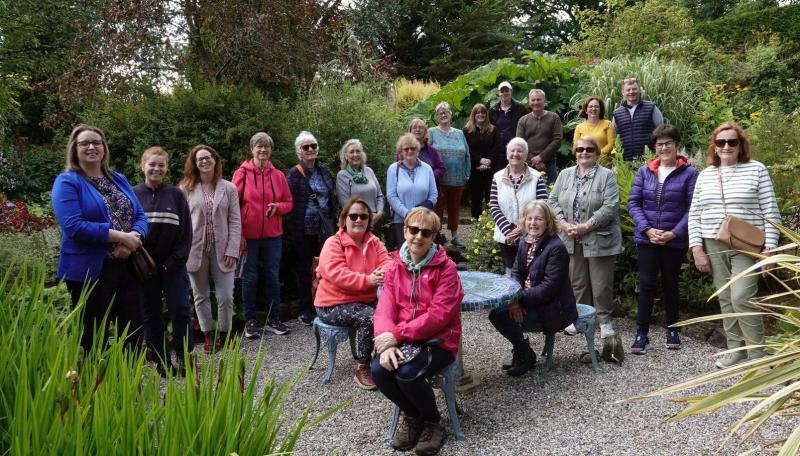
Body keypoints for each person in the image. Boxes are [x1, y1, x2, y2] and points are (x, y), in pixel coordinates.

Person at [372, 207, 463, 456]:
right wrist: (386, 342)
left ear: (434, 236)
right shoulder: (395, 265)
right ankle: (414, 417)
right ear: (405, 230)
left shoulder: (446, 269)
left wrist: (396, 335)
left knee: (407, 374)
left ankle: (435, 423)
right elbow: (384, 308)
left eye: (426, 232)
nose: (418, 237)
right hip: (403, 338)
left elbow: (438, 316)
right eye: (413, 230)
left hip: (439, 341)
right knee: (379, 370)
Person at [688, 122, 780, 368]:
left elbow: (770, 212)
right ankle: (735, 351)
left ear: (741, 145)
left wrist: (769, 249)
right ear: (714, 147)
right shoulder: (705, 175)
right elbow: (694, 214)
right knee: (726, 297)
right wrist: (697, 248)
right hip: (713, 241)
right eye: (721, 142)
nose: (726, 146)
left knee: (741, 296)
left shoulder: (756, 170)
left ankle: (757, 356)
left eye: (732, 142)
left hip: (747, 244)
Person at [52, 124, 147, 351]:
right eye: (85, 143)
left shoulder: (118, 179)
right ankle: (96, 383)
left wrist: (133, 239)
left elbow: (140, 215)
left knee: (132, 328)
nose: (92, 147)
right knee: (94, 335)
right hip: (89, 270)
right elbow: (74, 226)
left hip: (126, 265)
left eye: (97, 142)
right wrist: (122, 237)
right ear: (74, 149)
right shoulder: (67, 182)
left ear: (104, 148)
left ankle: (128, 381)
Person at [627, 125, 698, 354]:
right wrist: (647, 229)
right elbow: (633, 203)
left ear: (677, 145)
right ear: (654, 147)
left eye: (668, 143)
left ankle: (673, 329)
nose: (664, 147)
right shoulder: (644, 171)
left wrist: (674, 233)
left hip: (673, 239)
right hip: (647, 239)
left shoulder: (689, 173)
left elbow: (692, 208)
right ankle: (642, 333)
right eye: (659, 144)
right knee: (646, 285)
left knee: (670, 285)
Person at [489, 201, 578, 376]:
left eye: (539, 219)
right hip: (529, 300)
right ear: (524, 221)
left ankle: (525, 355)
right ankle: (523, 351)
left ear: (548, 222)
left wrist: (518, 300)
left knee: (502, 317)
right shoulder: (525, 242)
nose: (533, 223)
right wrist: (514, 300)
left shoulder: (556, 247)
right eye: (529, 218)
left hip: (553, 308)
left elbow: (548, 289)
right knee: (495, 313)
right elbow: (516, 273)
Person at [548, 137, 622, 339]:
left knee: (601, 284)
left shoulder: (607, 176)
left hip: (599, 237)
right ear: (575, 152)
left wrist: (586, 226)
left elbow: (610, 206)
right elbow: (552, 201)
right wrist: (563, 224)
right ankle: (579, 317)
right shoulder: (564, 175)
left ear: (597, 153)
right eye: (580, 149)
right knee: (577, 282)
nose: (584, 152)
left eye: (589, 149)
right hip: (570, 237)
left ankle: (605, 322)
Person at [314, 197, 391, 390]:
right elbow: (338, 275)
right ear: (344, 219)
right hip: (332, 304)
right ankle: (362, 367)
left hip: (363, 299)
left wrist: (383, 272)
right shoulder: (333, 243)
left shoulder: (374, 242)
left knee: (393, 310)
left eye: (363, 216)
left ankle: (383, 358)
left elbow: (388, 263)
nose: (358, 220)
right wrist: (369, 280)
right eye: (353, 215)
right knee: (369, 317)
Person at [133, 146, 193, 375]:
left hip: (173, 267)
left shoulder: (176, 195)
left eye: (161, 165)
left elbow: (186, 233)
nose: (156, 169)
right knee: (151, 314)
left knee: (180, 310)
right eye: (152, 164)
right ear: (143, 166)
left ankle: (184, 356)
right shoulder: (133, 194)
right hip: (144, 268)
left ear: (166, 168)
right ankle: (161, 360)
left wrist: (172, 262)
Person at [181, 145, 241, 353]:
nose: (204, 162)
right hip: (195, 250)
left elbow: (235, 220)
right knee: (201, 295)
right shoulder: (186, 188)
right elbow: (182, 223)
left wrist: (233, 249)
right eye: (200, 159)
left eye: (207, 158)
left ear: (215, 160)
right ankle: (208, 335)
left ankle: (225, 333)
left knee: (225, 296)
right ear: (195, 164)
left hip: (222, 249)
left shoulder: (229, 188)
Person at [232, 132, 293, 339]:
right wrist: (238, 234)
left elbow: (289, 203)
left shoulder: (279, 176)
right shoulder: (242, 174)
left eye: (266, 146)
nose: (263, 150)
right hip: (247, 235)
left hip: (273, 235)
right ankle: (250, 321)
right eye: (259, 146)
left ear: (271, 150)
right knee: (250, 278)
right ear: (252, 149)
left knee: (272, 276)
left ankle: (274, 318)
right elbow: (233, 207)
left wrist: (278, 207)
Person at [285, 131, 336, 326]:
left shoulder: (323, 170)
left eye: (313, 146)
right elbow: (290, 203)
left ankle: (326, 304)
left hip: (324, 228)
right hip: (303, 229)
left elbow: (331, 197)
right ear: (299, 152)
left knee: (326, 267)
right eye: (306, 147)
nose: (310, 150)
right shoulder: (294, 174)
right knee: (305, 269)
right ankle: (306, 308)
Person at [488, 137, 548, 276]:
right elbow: (494, 206)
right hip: (506, 235)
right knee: (509, 273)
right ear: (507, 154)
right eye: (512, 150)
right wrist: (509, 230)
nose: (515, 154)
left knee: (531, 273)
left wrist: (522, 228)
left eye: (520, 151)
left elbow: (543, 205)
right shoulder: (497, 177)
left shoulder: (536, 177)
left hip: (531, 233)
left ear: (526, 155)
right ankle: (513, 298)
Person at [428, 102, 470, 248]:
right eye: (440, 113)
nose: (444, 115)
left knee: (455, 209)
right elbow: (427, 153)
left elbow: (467, 155)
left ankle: (455, 236)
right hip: (438, 179)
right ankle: (436, 236)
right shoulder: (432, 132)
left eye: (446, 112)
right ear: (436, 117)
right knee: (437, 208)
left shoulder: (459, 133)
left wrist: (466, 174)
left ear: (451, 115)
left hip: (458, 179)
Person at [387, 133, 438, 250]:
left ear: (418, 150)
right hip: (401, 220)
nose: (410, 151)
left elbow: (434, 194)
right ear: (401, 151)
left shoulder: (427, 168)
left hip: (424, 220)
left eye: (413, 148)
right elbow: (391, 196)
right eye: (406, 149)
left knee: (423, 251)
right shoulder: (393, 169)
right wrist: (407, 214)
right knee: (405, 253)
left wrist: (419, 211)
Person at [463, 103, 503, 220]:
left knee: (492, 197)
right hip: (475, 169)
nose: (480, 115)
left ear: (486, 114)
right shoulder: (467, 131)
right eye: (478, 113)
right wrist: (480, 160)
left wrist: (489, 161)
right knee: (476, 197)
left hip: (491, 170)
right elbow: (467, 150)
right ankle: (476, 222)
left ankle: (492, 222)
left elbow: (497, 148)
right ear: (474, 115)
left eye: (483, 112)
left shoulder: (493, 130)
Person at [516, 88, 562, 184]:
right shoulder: (523, 120)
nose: (536, 102)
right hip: (528, 165)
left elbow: (557, 140)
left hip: (549, 164)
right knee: (529, 195)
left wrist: (541, 157)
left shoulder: (554, 118)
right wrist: (535, 161)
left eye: (539, 99)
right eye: (533, 100)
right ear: (529, 102)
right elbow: (520, 143)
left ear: (544, 101)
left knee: (551, 193)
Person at [611, 77, 664, 161]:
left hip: (649, 158)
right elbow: (614, 136)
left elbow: (661, 131)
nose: (631, 92)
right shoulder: (617, 113)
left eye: (634, 89)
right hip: (625, 161)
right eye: (628, 90)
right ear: (623, 92)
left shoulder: (651, 108)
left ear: (639, 90)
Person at [335, 139, 385, 225]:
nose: (355, 154)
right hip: (356, 221)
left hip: (375, 221)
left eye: (358, 151)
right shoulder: (342, 175)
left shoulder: (369, 171)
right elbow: (345, 204)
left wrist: (379, 213)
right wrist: (365, 216)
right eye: (351, 152)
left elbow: (380, 196)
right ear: (346, 156)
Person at [489, 81, 529, 157]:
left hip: (516, 150)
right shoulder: (493, 111)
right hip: (498, 151)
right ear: (499, 93)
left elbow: (529, 123)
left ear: (511, 92)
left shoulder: (521, 109)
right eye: (502, 91)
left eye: (507, 91)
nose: (504, 93)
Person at [408, 118, 447, 185]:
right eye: (414, 127)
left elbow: (441, 168)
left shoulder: (432, 151)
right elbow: (398, 168)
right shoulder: (404, 150)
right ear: (410, 131)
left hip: (429, 188)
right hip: (409, 187)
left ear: (425, 131)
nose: (418, 130)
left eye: (421, 127)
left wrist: (429, 177)